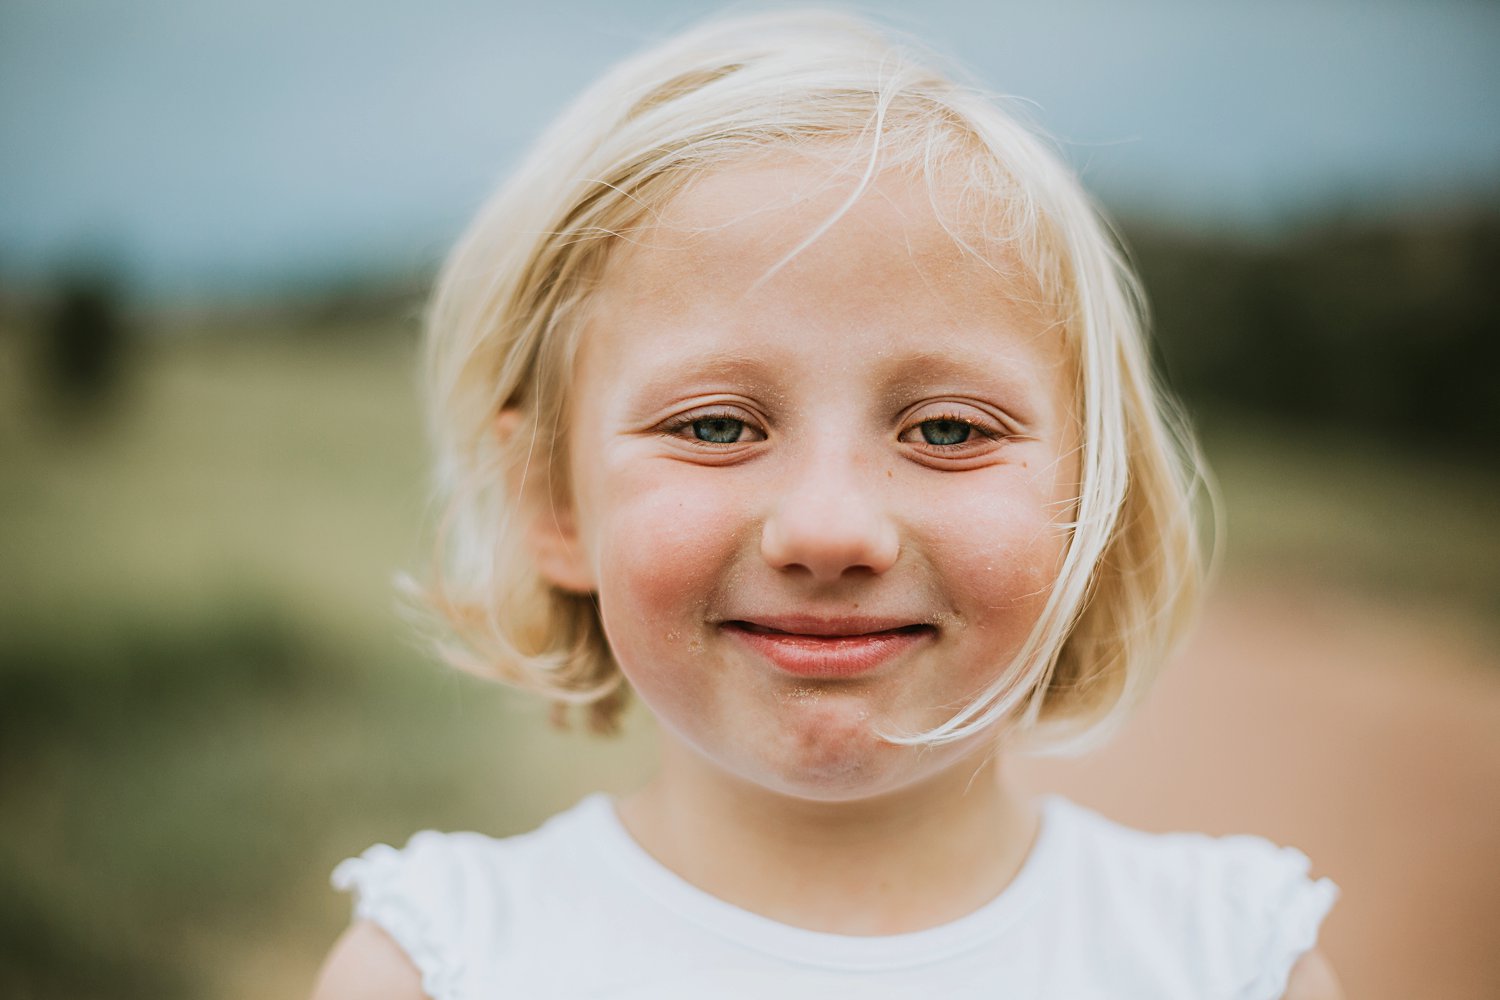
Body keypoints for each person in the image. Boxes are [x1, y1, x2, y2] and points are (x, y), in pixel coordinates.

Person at [311, 10, 1342, 999]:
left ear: (1092, 496)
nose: (830, 530)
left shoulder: (1227, 962)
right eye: (717, 426)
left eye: (947, 430)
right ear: (552, 500)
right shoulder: (445, 967)